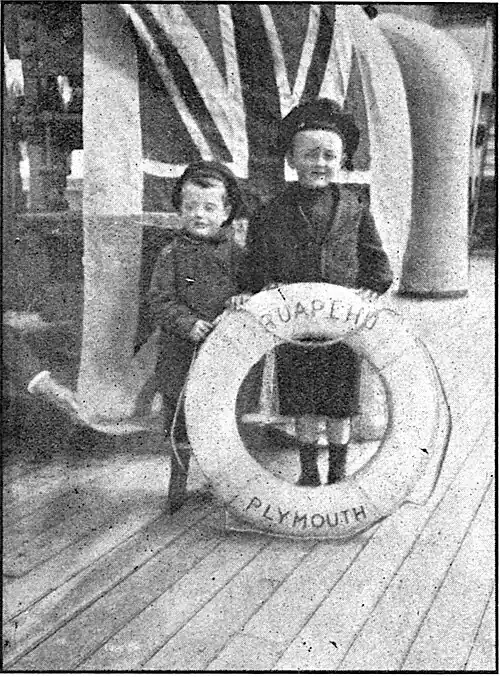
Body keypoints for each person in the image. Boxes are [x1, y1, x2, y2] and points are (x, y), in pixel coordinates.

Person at [240, 98, 393, 487]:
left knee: (340, 405)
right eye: (309, 154)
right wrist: (264, 290)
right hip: (295, 327)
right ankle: (309, 473)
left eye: (329, 155)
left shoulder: (355, 208)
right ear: (291, 158)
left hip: (342, 328)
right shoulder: (270, 213)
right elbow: (255, 268)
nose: (319, 163)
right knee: (304, 402)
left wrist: (371, 291)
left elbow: (377, 264)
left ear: (341, 160)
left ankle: (338, 473)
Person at [148, 160, 246, 509]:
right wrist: (187, 323)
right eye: (190, 207)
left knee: (220, 414)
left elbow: (251, 290)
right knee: (180, 414)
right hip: (180, 349)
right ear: (179, 209)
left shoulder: (237, 254)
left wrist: (241, 298)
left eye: (208, 207)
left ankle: (222, 482)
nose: (199, 215)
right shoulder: (171, 254)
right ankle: (178, 481)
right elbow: (159, 300)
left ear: (226, 211)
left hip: (223, 353)